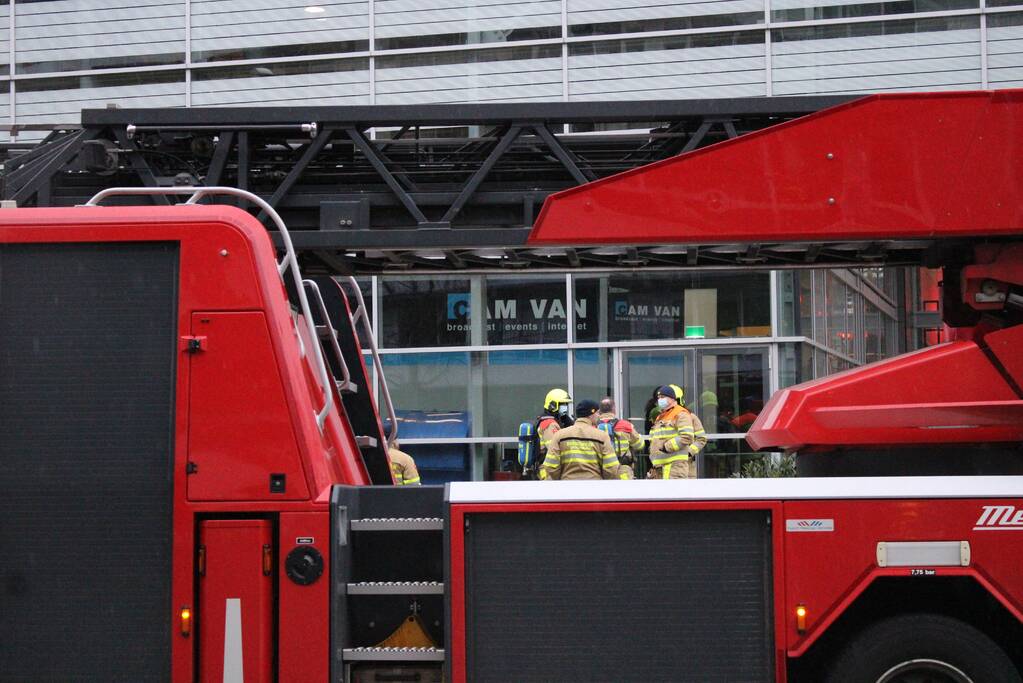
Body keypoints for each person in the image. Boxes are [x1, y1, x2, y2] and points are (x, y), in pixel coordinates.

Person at [541, 399, 629, 481]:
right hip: (594, 486)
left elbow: (550, 466)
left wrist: (562, 478)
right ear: (591, 414)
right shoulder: (602, 436)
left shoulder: (559, 435)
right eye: (597, 413)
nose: (599, 416)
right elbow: (611, 468)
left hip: (567, 486)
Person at [647, 385, 697, 479]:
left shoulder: (681, 414)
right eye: (659, 398)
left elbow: (687, 436)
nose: (660, 400)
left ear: (672, 398)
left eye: (662, 397)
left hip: (674, 467)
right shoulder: (661, 416)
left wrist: (667, 447)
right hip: (660, 467)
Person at [596, 397, 641, 479]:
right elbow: (639, 445)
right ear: (614, 409)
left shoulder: (593, 427)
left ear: (599, 411)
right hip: (623, 470)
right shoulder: (626, 425)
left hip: (600, 471)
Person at [669, 384, 707, 479]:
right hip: (665, 465)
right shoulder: (661, 419)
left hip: (686, 466)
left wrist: (689, 452)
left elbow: (701, 439)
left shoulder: (690, 417)